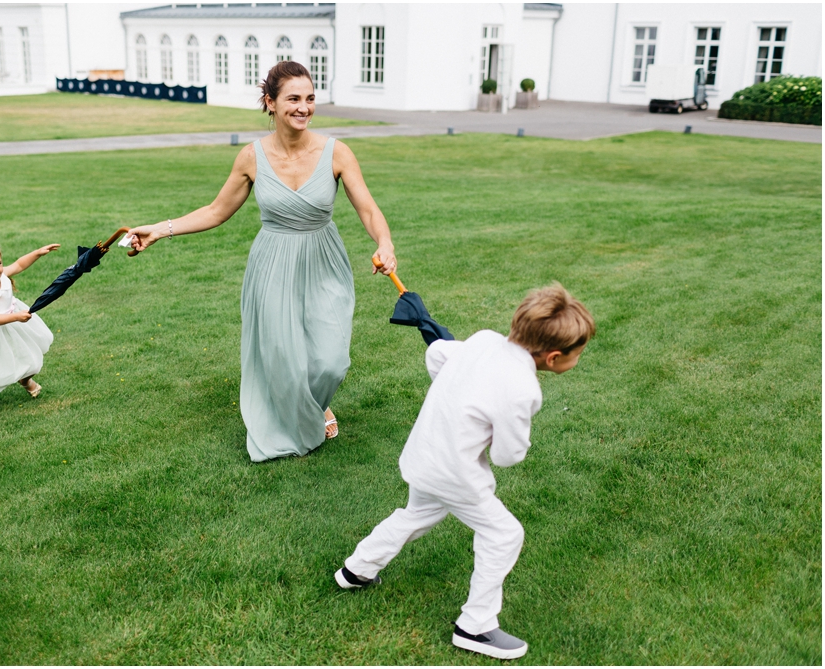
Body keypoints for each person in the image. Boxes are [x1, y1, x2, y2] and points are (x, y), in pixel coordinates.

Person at [127, 61, 397, 462]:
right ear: (270, 103)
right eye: (293, 99)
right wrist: (160, 230)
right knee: (284, 358)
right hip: (272, 264)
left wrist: (385, 242)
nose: (303, 108)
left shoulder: (336, 152)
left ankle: (316, 402)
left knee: (331, 360)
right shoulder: (251, 158)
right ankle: (299, 418)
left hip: (324, 259)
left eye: (309, 99)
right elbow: (217, 211)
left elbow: (369, 210)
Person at [334, 283, 596, 660]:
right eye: (577, 354)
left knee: (418, 515)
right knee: (504, 534)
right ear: (554, 357)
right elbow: (508, 455)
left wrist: (460, 398)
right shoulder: (523, 388)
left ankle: (356, 570)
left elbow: (438, 355)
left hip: (422, 455)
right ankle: (476, 627)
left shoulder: (484, 340)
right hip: (454, 474)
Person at [0, 236, 59, 444]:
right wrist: (16, 317)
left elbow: (19, 264)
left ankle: (26, 381)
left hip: (12, 324)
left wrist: (37, 253)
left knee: (30, 359)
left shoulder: (1, 275)